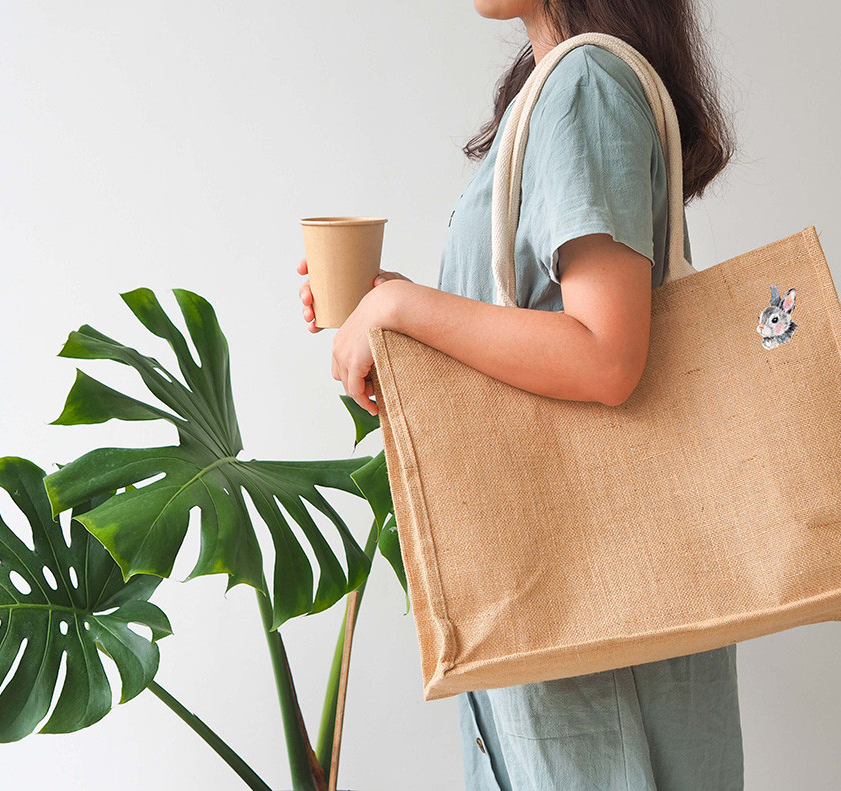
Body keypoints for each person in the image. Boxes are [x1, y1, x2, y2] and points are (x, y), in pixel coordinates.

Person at [296, 2, 742, 788]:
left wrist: (405, 308)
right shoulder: (548, 90)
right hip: (572, 600)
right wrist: (394, 308)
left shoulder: (586, 82)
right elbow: (542, 332)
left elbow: (605, 355)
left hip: (593, 613)